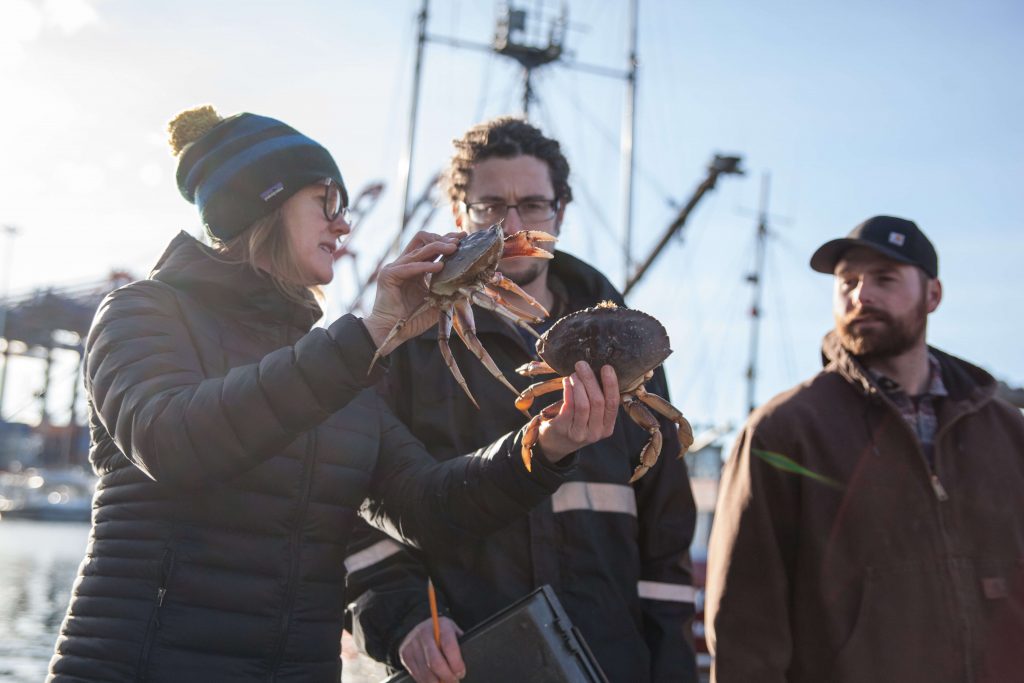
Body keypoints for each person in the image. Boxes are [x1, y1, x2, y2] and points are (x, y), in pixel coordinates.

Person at [47, 106, 622, 682]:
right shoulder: (143, 312)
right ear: (262, 202)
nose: (343, 226)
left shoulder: (334, 361)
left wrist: (542, 447)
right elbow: (172, 443)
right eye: (326, 203)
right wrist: (369, 334)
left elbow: (426, 507)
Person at [345, 117, 699, 683]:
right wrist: (404, 619)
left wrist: (674, 671)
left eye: (533, 205)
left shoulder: (630, 351)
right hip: (464, 661)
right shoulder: (408, 351)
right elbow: (358, 503)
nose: (512, 225)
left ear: (560, 210)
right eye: (490, 207)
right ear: (461, 213)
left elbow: (666, 538)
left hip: (610, 662)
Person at [705, 216, 1024, 682]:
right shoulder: (785, 430)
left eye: (884, 279)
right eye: (847, 282)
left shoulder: (1006, 431)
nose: (861, 295)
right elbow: (745, 620)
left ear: (932, 295)